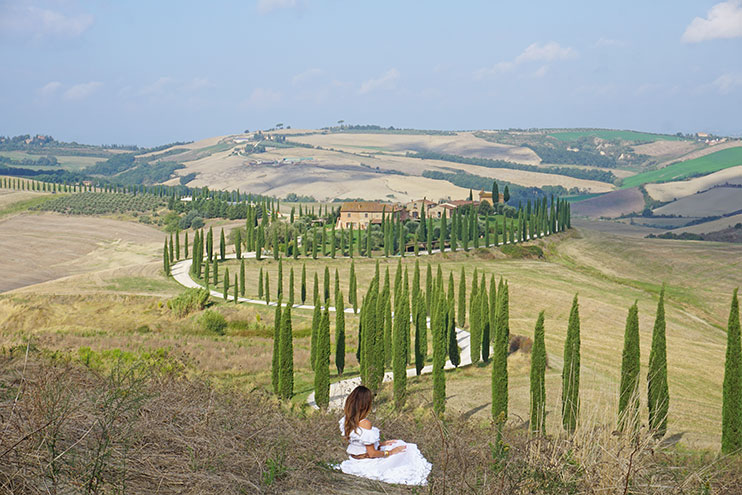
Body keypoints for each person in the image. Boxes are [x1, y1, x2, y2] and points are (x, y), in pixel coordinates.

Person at [337, 385, 431, 486]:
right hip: (366, 463)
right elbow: (372, 453)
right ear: (366, 404)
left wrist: (381, 444)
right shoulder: (365, 423)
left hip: (355, 460)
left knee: (396, 443)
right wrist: (390, 452)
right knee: (406, 449)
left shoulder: (346, 419)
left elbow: (358, 443)